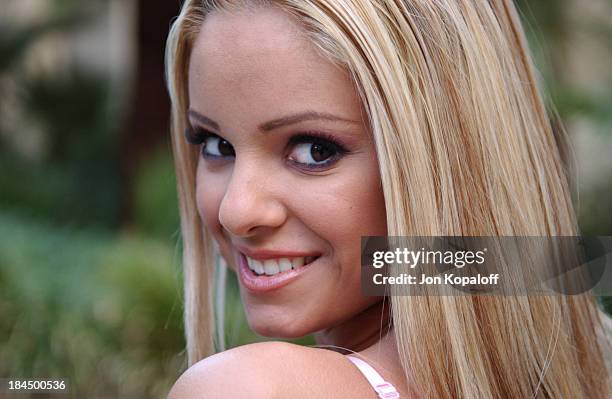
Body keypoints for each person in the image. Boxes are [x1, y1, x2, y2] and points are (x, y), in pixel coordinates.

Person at [164, 0, 610, 397]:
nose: (237, 211)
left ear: (443, 164)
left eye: (315, 151)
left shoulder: (249, 389)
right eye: (216, 145)